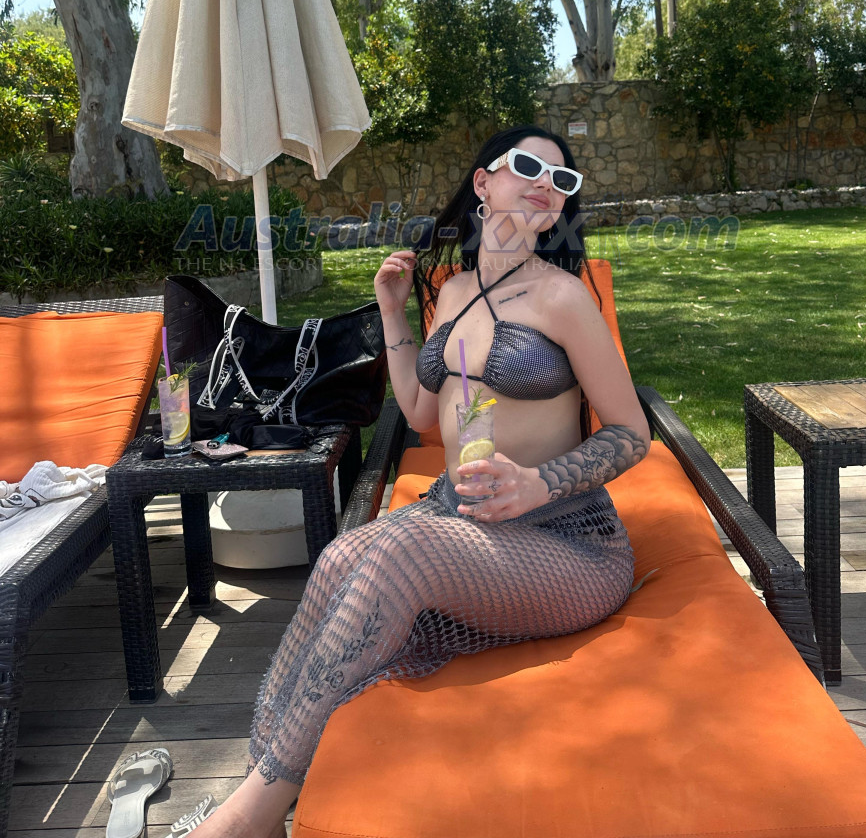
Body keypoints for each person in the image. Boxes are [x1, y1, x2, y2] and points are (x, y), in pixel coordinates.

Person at [183, 125, 650, 838]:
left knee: (398, 554)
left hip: (566, 539)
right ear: (484, 182)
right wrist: (393, 312)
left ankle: (247, 816)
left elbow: (631, 432)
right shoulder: (454, 290)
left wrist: (539, 483)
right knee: (338, 558)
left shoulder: (563, 299)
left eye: (562, 181)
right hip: (462, 519)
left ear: (560, 209)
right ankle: (265, 787)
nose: (545, 185)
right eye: (529, 166)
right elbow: (422, 414)